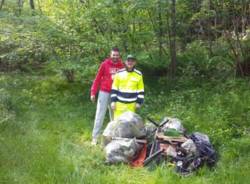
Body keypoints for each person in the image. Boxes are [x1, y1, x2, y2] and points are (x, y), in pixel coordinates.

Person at [90, 48, 124, 145]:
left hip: (116, 93)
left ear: (119, 56)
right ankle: (95, 137)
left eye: (117, 55)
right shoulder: (104, 64)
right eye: (114, 55)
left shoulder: (122, 66)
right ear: (110, 55)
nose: (115, 57)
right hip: (104, 92)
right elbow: (97, 78)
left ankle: (114, 136)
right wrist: (93, 92)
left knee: (115, 116)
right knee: (100, 115)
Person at [110, 54, 144, 120]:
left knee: (130, 124)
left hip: (131, 105)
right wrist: (113, 101)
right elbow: (114, 88)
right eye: (128, 61)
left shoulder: (139, 74)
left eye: (132, 61)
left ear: (135, 63)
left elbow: (141, 90)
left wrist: (139, 102)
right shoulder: (119, 73)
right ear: (125, 62)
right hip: (119, 104)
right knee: (117, 125)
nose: (130, 62)